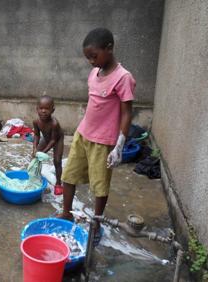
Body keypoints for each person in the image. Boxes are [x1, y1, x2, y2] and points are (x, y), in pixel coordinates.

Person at [58, 28, 135, 245]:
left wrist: (120, 144)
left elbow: (127, 112)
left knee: (99, 186)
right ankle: (66, 213)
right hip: (83, 134)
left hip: (103, 142)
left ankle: (96, 223)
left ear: (109, 48)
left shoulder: (123, 78)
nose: (91, 61)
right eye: (88, 58)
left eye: (94, 56)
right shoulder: (94, 73)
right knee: (69, 175)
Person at [32, 95, 64, 195]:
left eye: (47, 109)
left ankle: (58, 183)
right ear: (37, 109)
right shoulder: (36, 121)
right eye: (41, 108)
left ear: (52, 110)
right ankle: (35, 177)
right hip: (46, 138)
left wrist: (43, 152)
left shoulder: (54, 123)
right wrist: (35, 149)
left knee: (57, 161)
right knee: (34, 158)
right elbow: (36, 135)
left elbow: (53, 140)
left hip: (57, 140)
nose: (44, 111)